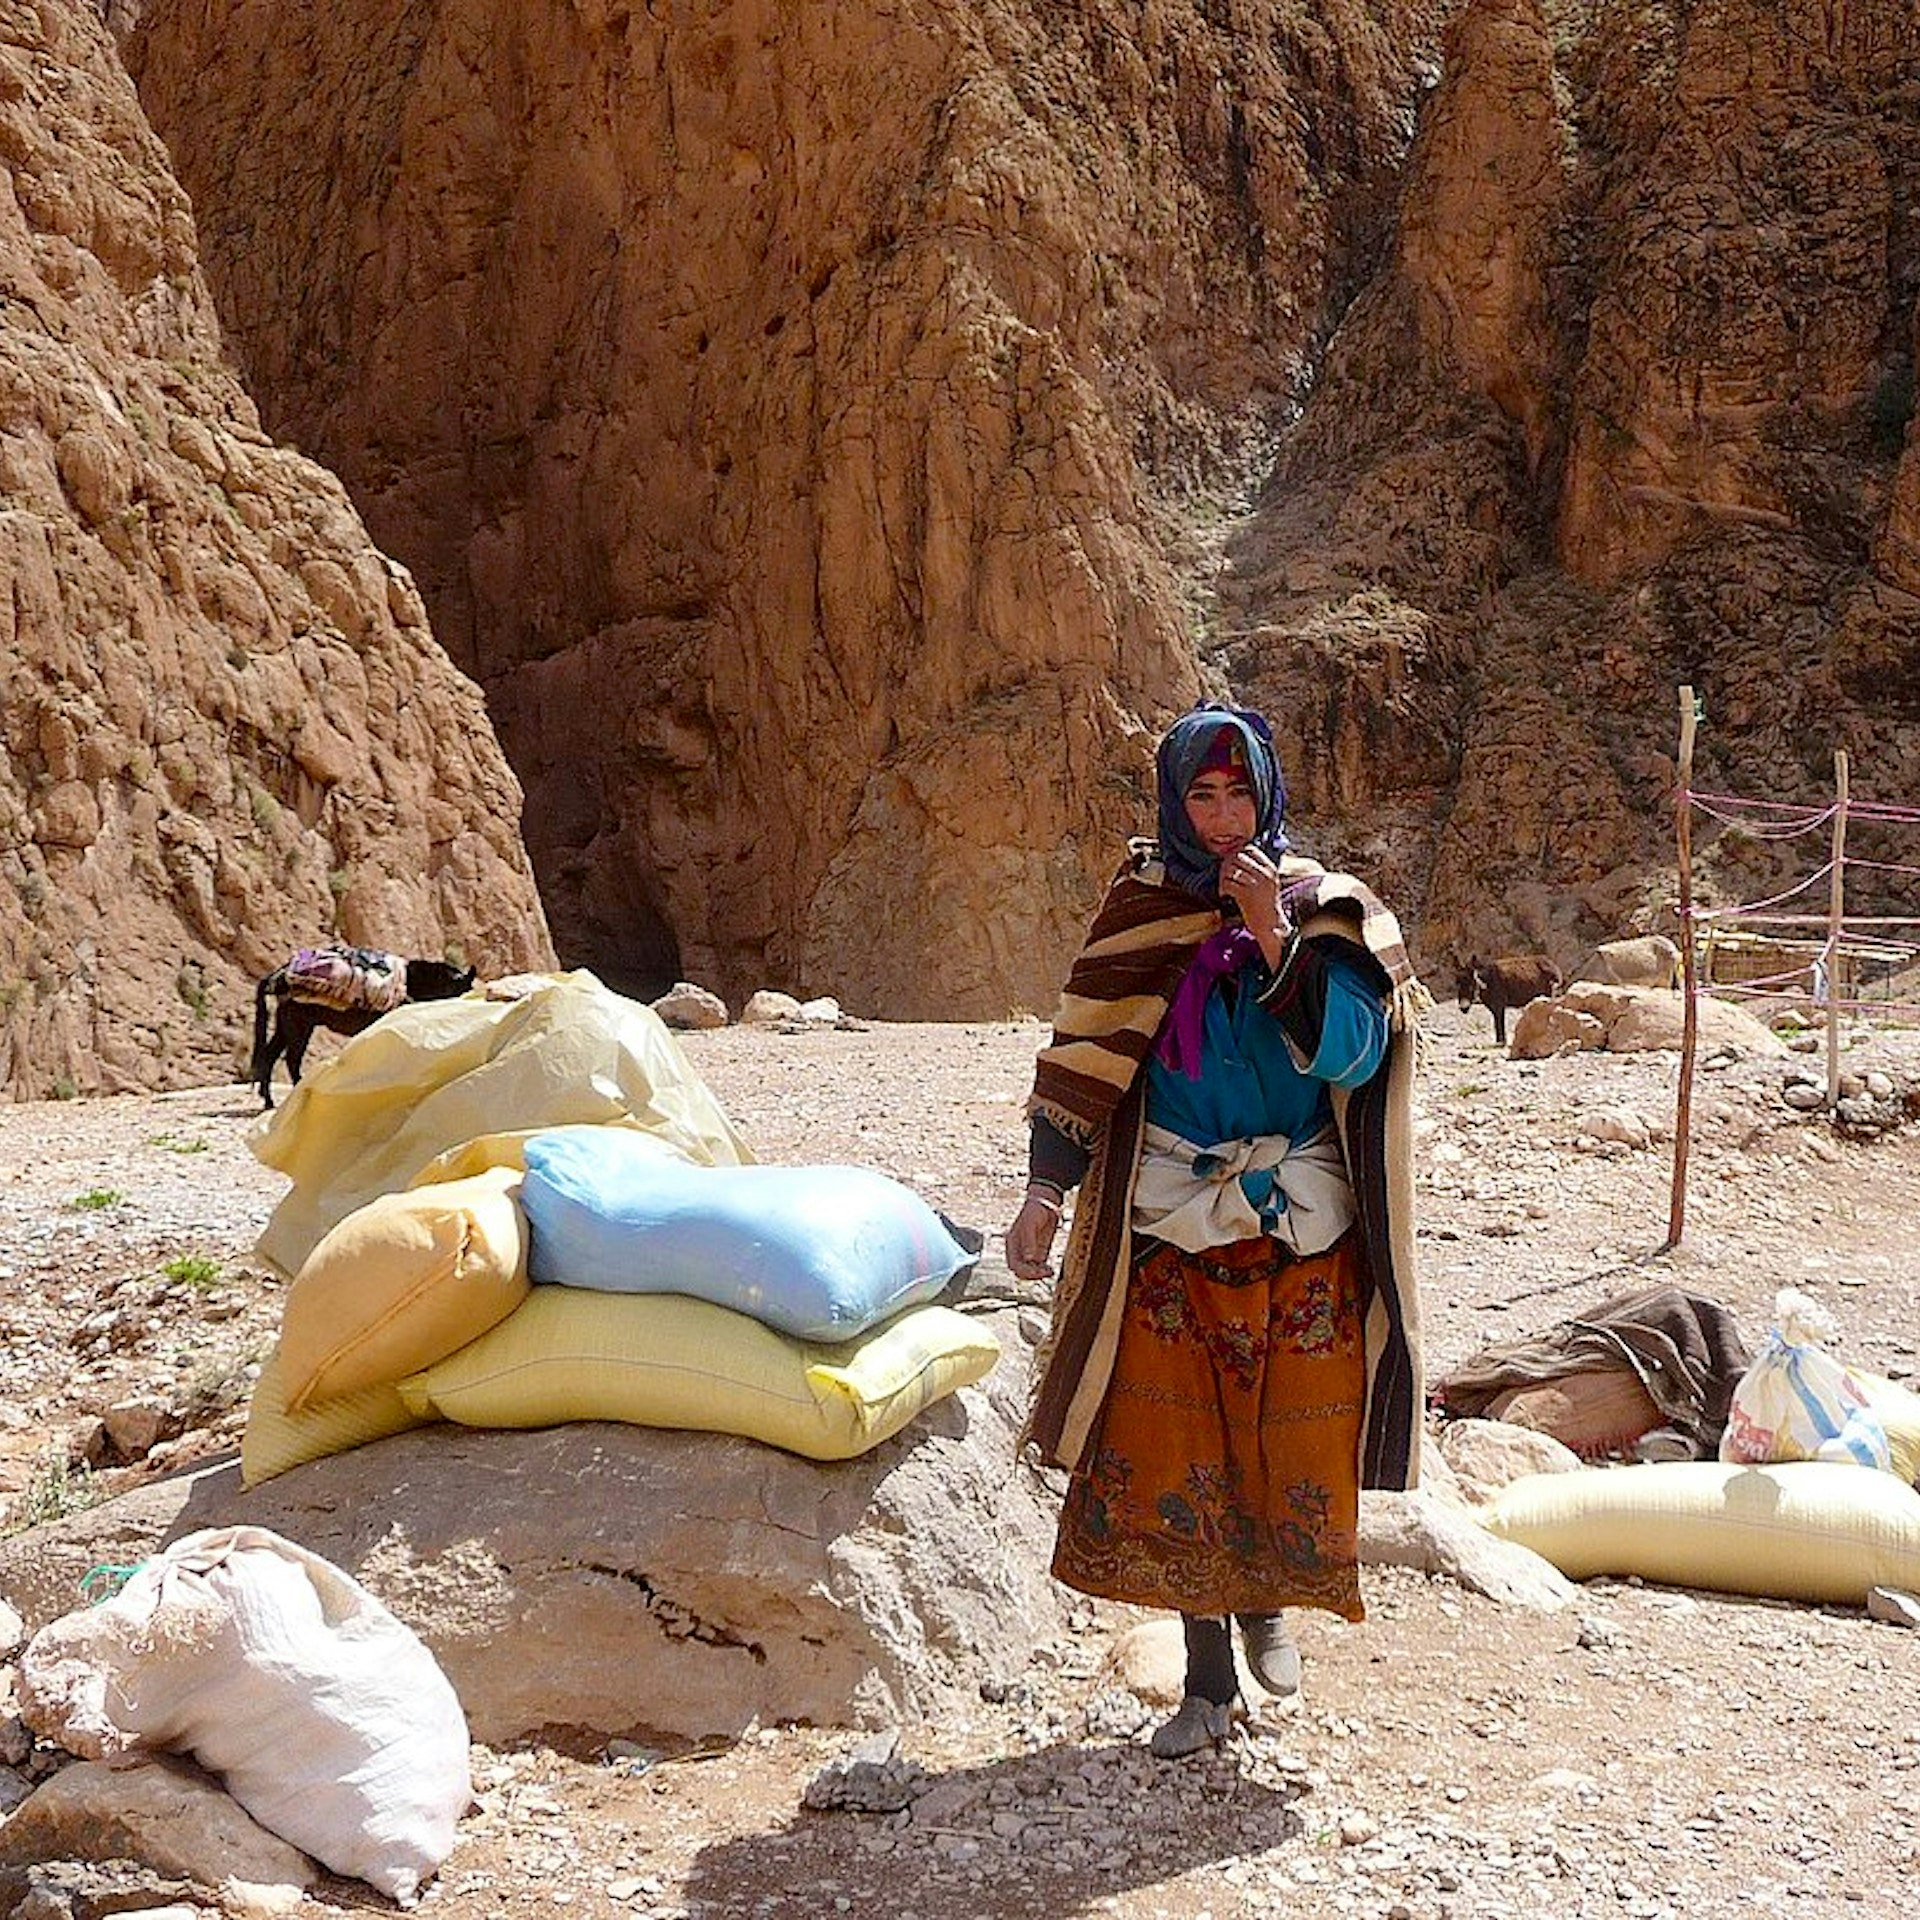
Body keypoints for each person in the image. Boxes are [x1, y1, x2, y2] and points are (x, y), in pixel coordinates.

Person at [1006, 701, 1427, 1758]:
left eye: (1240, 791)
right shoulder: (1139, 912)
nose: (1226, 813)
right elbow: (1084, 1056)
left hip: (1301, 1224)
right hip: (1167, 1215)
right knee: (1175, 1439)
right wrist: (1045, 1194)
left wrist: (1276, 936)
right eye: (1204, 793)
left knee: (1292, 1429)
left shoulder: (1329, 908)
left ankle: (1270, 1608)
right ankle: (1204, 1679)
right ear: (1175, 803)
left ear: (1270, 793)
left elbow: (1358, 1056)